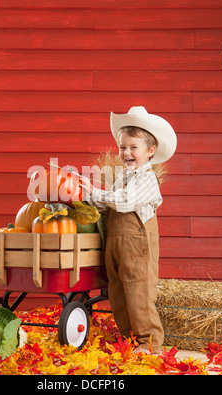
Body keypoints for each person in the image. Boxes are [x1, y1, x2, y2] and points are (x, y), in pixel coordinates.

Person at [79, 106, 177, 354]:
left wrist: (93, 190)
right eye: (123, 147)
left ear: (150, 151)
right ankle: (129, 337)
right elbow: (109, 201)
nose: (126, 152)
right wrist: (84, 197)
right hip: (116, 243)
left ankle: (148, 341)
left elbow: (124, 202)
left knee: (138, 290)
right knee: (118, 289)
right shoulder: (124, 176)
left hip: (137, 246)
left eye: (134, 147)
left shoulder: (146, 178)